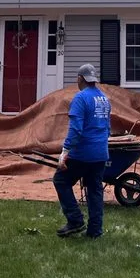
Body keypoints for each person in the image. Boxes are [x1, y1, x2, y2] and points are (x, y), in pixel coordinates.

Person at [53, 63, 112, 239]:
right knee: (94, 190)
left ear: (80, 79)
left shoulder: (80, 98)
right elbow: (107, 128)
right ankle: (95, 231)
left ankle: (75, 219)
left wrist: (65, 151)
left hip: (83, 153)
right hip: (100, 153)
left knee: (61, 180)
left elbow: (76, 129)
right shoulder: (104, 99)